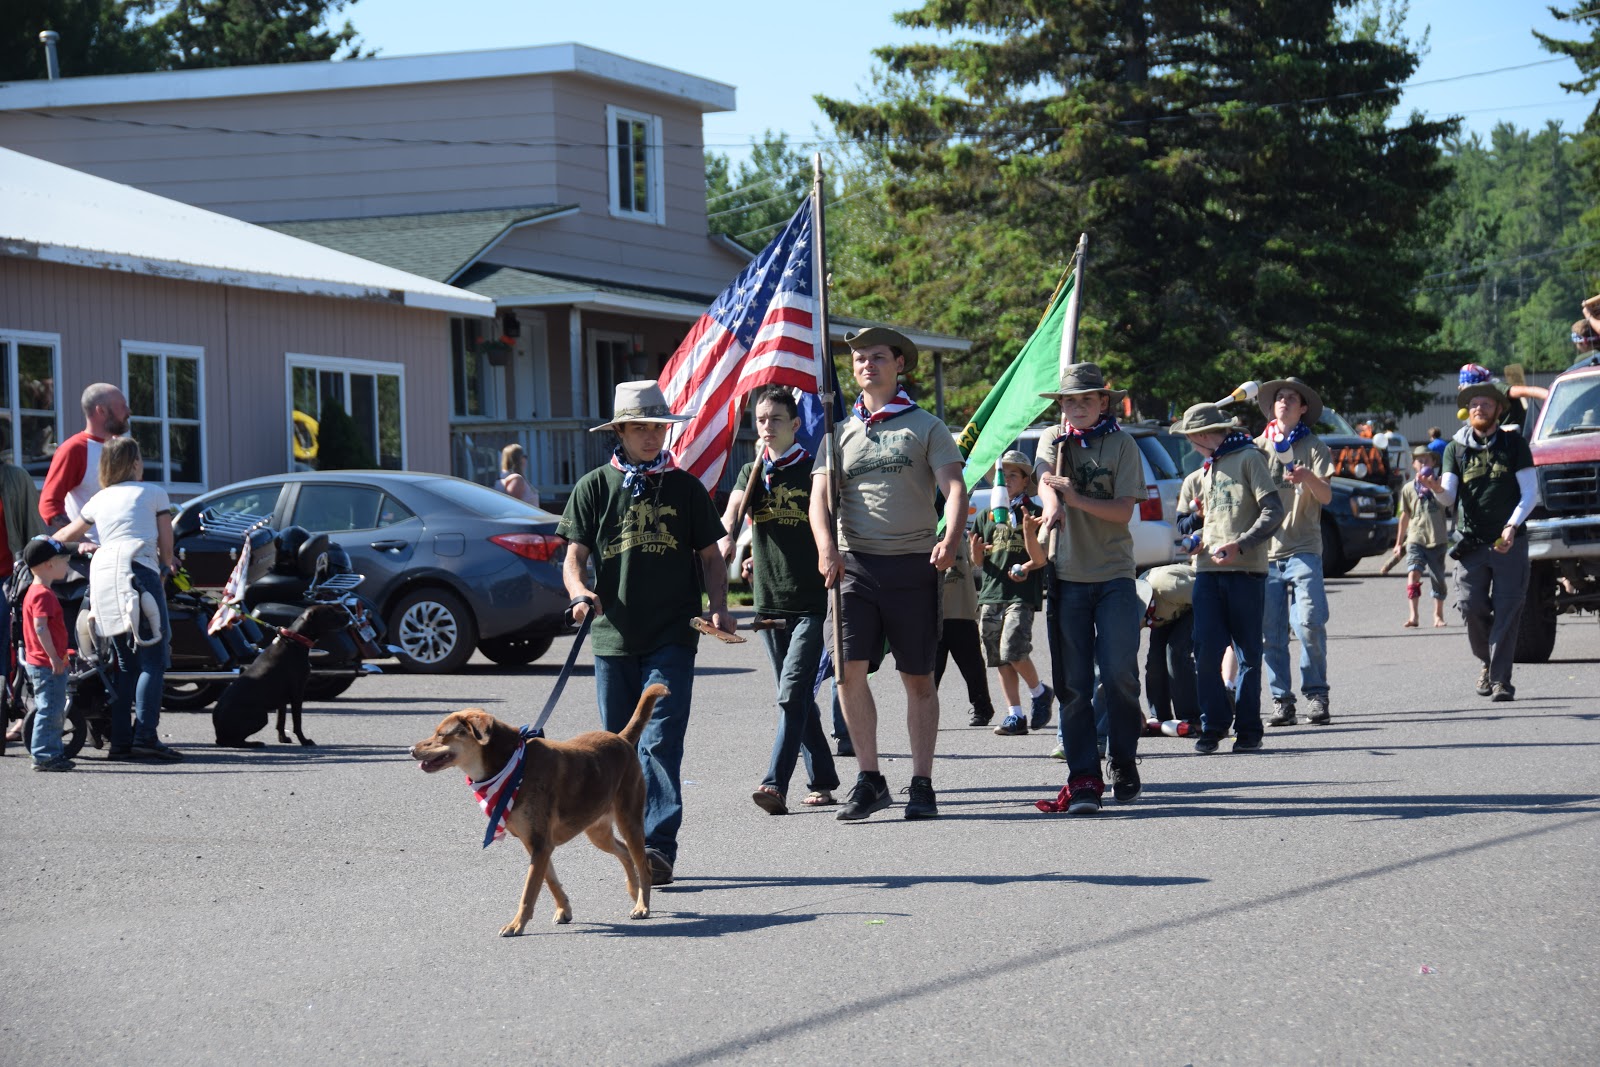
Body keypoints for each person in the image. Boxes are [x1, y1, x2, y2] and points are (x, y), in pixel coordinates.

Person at [557, 381, 732, 884]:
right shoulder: (593, 487)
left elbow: (711, 558)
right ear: (620, 432)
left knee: (660, 741)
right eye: (640, 428)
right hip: (612, 636)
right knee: (617, 748)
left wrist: (719, 606)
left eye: (658, 426)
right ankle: (632, 843)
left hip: (673, 635)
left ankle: (658, 849)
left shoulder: (686, 488)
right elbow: (574, 557)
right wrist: (579, 592)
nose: (652, 436)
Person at [810, 327, 966, 822]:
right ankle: (870, 779)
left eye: (877, 357)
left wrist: (950, 538)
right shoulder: (839, 432)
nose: (866, 365)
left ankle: (922, 783)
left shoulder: (925, 426)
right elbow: (819, 499)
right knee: (847, 671)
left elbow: (955, 488)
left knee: (918, 678)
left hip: (914, 564)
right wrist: (827, 548)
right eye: (859, 358)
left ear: (900, 365)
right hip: (854, 566)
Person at [720, 386, 839, 814]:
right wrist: (726, 538)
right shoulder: (752, 471)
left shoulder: (814, 471)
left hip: (811, 602)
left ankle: (774, 785)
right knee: (797, 696)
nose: (766, 426)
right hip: (768, 603)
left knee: (791, 694)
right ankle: (823, 779)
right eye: (760, 419)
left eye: (775, 419)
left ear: (795, 424)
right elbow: (732, 513)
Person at [1032, 363, 1145, 815]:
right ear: (1061, 405)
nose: (1077, 407)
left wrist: (1075, 499)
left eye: (1086, 399)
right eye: (1069, 400)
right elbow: (1045, 479)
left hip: (1114, 575)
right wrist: (1053, 504)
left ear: (1103, 402)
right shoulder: (1053, 439)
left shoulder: (1123, 444)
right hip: (1066, 577)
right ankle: (1083, 779)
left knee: (1119, 675)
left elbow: (1123, 511)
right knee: (1074, 685)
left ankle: (1123, 760)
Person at [1170, 402, 1285, 756]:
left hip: (1246, 572)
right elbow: (1197, 523)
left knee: (1248, 654)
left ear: (1204, 435)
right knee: (1205, 651)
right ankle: (1214, 724)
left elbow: (1273, 510)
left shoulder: (1249, 458)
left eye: (1190, 438)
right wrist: (1195, 537)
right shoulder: (1206, 469)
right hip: (1207, 572)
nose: (1190, 444)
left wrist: (1242, 544)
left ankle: (1248, 730)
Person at [57, 436, 181, 761]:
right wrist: (165, 568)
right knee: (153, 661)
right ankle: (146, 737)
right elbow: (167, 548)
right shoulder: (153, 493)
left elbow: (65, 536)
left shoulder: (99, 499)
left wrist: (41, 546)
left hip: (105, 579)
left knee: (125, 665)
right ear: (135, 462)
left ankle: (121, 741)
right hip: (141, 574)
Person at [1416, 370, 1537, 701]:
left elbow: (1530, 493)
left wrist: (1512, 526)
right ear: (1466, 411)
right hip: (1470, 543)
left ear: (1498, 409)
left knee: (1508, 609)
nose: (1478, 408)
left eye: (1485, 403)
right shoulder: (1455, 448)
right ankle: (1486, 661)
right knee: (1471, 607)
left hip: (1509, 542)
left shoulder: (1514, 444)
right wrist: (1434, 487)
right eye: (1473, 404)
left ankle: (1500, 680)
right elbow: (1448, 497)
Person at [1254, 378, 1336, 728]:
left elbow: (1326, 496)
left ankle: (1316, 694)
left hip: (1304, 548)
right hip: (1265, 553)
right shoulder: (1256, 448)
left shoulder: (1314, 447)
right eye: (1279, 397)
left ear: (1303, 408)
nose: (1284, 401)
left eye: (1291, 398)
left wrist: (1307, 477)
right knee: (1270, 634)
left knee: (1310, 623)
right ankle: (1281, 701)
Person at [972, 451, 1052, 734]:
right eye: (1001, 476)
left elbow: (1040, 558)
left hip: (1020, 594)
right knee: (999, 658)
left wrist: (1028, 532)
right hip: (991, 593)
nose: (1006, 480)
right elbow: (978, 562)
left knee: (1013, 649)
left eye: (1013, 475)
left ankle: (1040, 692)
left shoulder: (1036, 512)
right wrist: (975, 551)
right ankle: (1015, 715)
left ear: (1026, 480)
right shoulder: (987, 515)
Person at [21, 537, 92, 771]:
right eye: (64, 560)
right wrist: (53, 657)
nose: (68, 564)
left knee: (51, 708)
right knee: (50, 709)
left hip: (44, 661)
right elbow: (41, 628)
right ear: (49, 564)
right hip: (46, 663)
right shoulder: (43, 594)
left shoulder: (36, 591)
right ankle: (44, 755)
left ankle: (50, 752)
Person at [40, 382, 129, 532]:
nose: (128, 411)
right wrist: (78, 539)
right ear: (101, 410)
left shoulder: (125, 449)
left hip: (128, 543)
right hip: (92, 545)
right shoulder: (75, 449)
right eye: (122, 406)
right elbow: (49, 504)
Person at [935, 528, 996, 729]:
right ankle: (926, 712)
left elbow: (976, 562)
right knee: (930, 671)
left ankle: (982, 708)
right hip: (933, 615)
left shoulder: (959, 533)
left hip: (962, 611)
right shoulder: (922, 532)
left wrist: (975, 549)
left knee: (972, 667)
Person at [1138, 562, 1199, 732]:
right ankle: (1159, 715)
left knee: (1175, 653)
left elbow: (1209, 595)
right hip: (1162, 613)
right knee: (1154, 662)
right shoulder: (1130, 611)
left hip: (1195, 604)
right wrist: (1132, 708)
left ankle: (1191, 716)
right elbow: (1123, 665)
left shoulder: (1169, 586)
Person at [1395, 444, 1449, 629]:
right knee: (1413, 572)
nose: (1423, 462)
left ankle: (1438, 615)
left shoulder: (1441, 484)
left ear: (1433, 463)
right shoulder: (1408, 488)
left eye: (1427, 459)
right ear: (1414, 464)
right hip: (1416, 537)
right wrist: (1398, 542)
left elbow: (1450, 504)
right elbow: (1405, 516)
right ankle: (1414, 615)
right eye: (1419, 460)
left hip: (1437, 538)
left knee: (1438, 579)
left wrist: (1435, 487)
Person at [498, 443, 540, 507]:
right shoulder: (516, 479)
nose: (525, 459)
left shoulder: (509, 477)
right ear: (519, 459)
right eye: (524, 456)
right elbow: (514, 505)